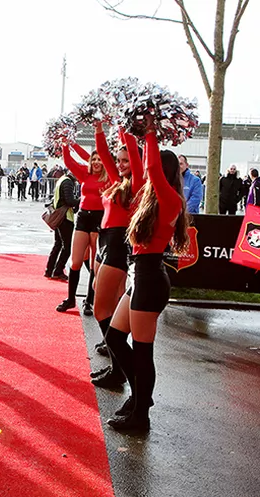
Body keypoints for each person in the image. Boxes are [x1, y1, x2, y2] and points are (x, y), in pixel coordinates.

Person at [104, 128, 190, 433]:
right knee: (115, 338)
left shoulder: (170, 198)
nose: (145, 169)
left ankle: (140, 414)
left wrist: (151, 130)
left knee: (143, 351)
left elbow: (150, 166)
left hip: (150, 279)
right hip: (141, 277)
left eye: (153, 167)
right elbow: (142, 164)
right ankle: (141, 397)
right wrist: (129, 131)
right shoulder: (149, 196)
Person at [91, 123, 144, 389]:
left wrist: (127, 126)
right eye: (119, 160)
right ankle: (116, 367)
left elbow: (134, 152)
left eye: (125, 160)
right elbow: (103, 151)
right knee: (103, 301)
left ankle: (119, 369)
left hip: (117, 246)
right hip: (106, 242)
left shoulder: (137, 185)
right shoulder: (118, 181)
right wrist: (99, 127)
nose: (121, 164)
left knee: (100, 308)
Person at [59, 142, 107, 315]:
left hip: (99, 219)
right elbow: (69, 161)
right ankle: (71, 298)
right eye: (93, 159)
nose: (96, 162)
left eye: (100, 159)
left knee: (94, 263)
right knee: (76, 261)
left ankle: (89, 301)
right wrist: (67, 144)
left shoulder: (109, 176)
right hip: (83, 217)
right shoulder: (84, 173)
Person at [45, 172, 79, 280]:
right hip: (65, 217)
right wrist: (81, 200)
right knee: (66, 247)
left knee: (58, 244)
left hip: (59, 216)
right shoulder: (68, 182)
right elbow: (70, 201)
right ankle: (58, 271)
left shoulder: (62, 179)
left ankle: (49, 270)